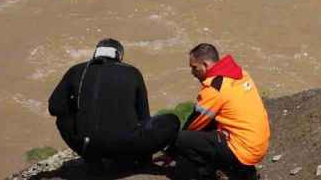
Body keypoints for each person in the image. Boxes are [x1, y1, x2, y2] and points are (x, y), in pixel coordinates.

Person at [48, 38, 180, 169]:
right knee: (172, 121)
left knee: (62, 119)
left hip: (87, 147)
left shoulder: (75, 70)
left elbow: (54, 108)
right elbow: (144, 117)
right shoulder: (132, 72)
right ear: (119, 56)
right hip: (126, 149)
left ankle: (93, 160)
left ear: (96, 53)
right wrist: (145, 159)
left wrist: (77, 105)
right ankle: (138, 161)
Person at [166, 44, 270, 180]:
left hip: (242, 151)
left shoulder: (215, 88)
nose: (192, 72)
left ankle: (207, 173)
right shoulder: (241, 74)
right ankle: (240, 171)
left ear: (205, 65)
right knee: (210, 125)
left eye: (194, 67)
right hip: (259, 145)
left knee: (181, 139)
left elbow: (194, 124)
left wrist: (171, 151)